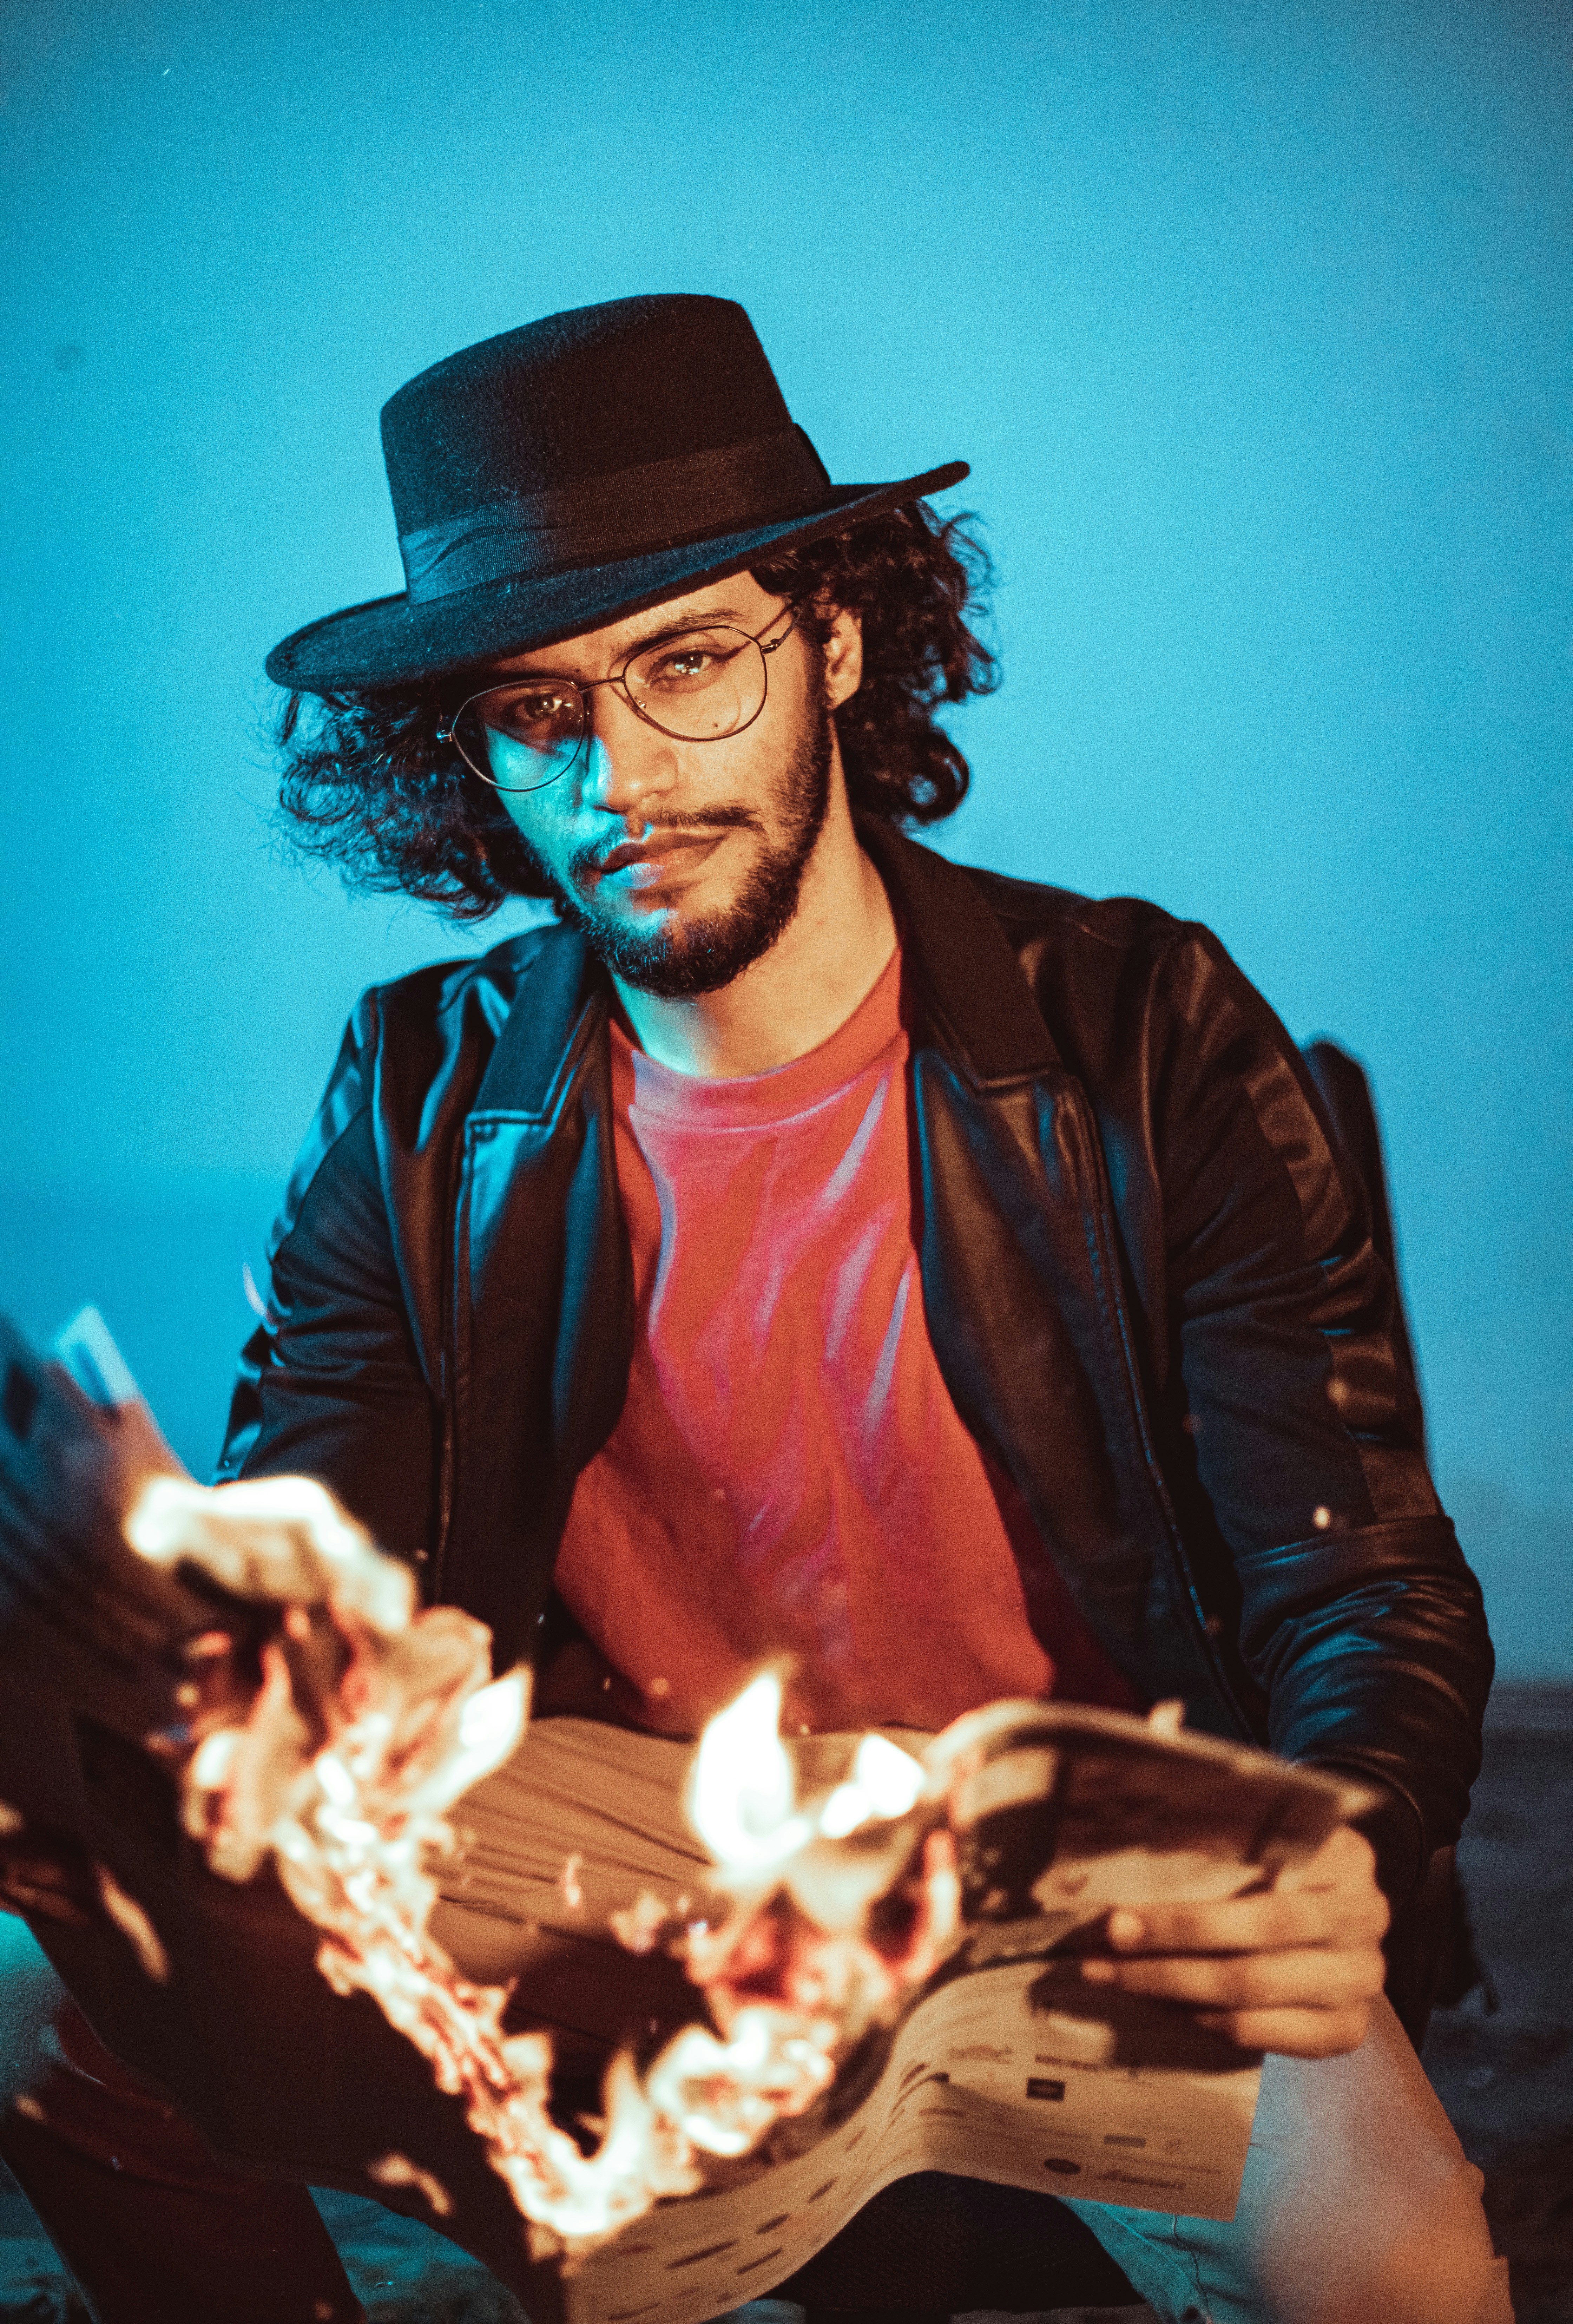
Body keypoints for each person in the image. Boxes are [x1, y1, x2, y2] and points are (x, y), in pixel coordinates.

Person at [0, 295, 1510, 2323]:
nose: (616, 771)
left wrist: (1343, 1843)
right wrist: (334, 1650)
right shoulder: (423, 1089)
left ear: (840, 640)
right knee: (39, 1985)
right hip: (639, 1856)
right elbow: (327, 1495)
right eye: (536, 710)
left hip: (1071, 1869)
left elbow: (1361, 1580)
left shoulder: (1145, 1033)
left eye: (687, 663)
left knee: (1403, 2273)